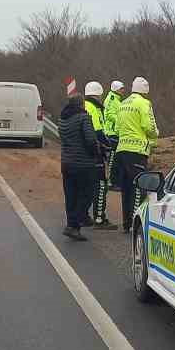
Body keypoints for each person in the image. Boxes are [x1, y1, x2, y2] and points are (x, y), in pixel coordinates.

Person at [113, 76, 158, 233]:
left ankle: (126, 223)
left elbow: (117, 128)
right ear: (145, 90)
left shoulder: (123, 104)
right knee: (139, 187)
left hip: (121, 150)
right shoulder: (144, 103)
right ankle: (135, 223)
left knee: (126, 189)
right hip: (137, 152)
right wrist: (155, 135)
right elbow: (149, 126)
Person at [58, 88, 103, 241]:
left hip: (67, 163)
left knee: (71, 195)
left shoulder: (63, 119)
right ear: (81, 104)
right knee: (87, 194)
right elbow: (90, 140)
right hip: (83, 163)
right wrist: (97, 152)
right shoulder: (84, 118)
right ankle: (75, 224)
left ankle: (72, 223)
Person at [82, 81, 115, 229]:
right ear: (97, 95)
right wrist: (107, 146)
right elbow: (97, 131)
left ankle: (82, 215)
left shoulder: (82, 105)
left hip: (82, 153)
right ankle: (100, 218)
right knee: (101, 185)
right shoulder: (93, 108)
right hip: (94, 152)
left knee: (86, 186)